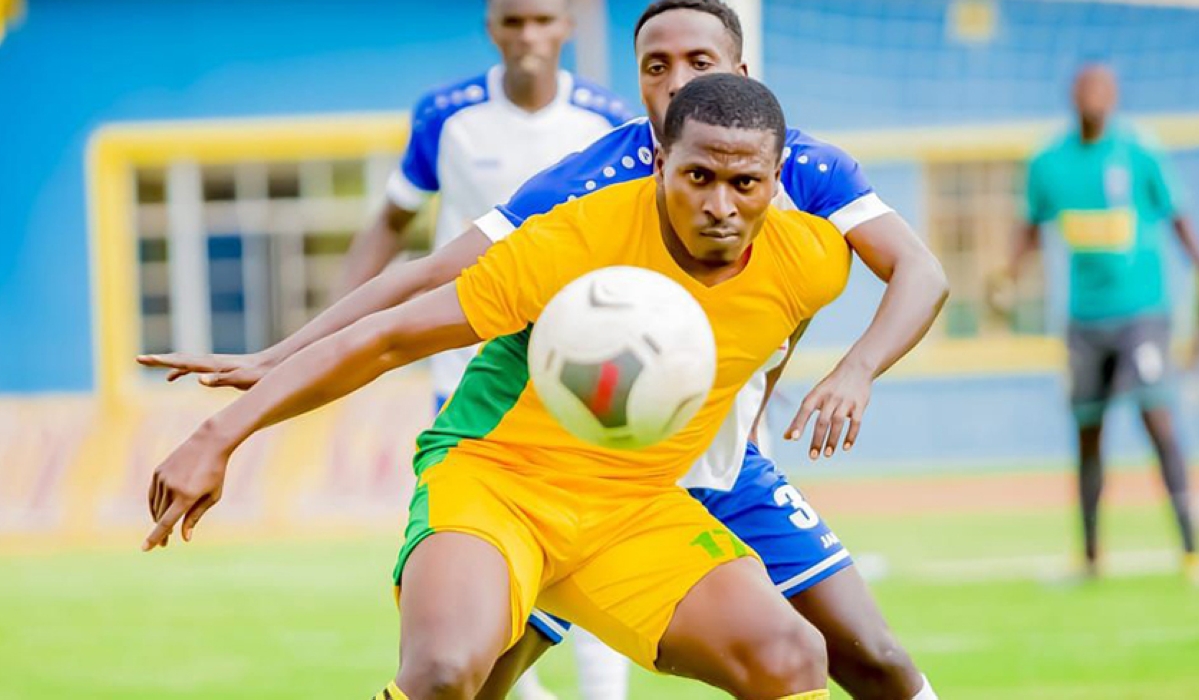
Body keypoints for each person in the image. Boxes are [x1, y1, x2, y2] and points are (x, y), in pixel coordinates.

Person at [139, 2, 948, 698]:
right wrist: (225, 428)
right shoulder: (573, 227)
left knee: (793, 653)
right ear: (658, 159)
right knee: (451, 673)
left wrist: (851, 372)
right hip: (503, 480)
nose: (721, 204)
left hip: (638, 495)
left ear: (779, 177)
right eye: (697, 176)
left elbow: (898, 280)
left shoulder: (813, 253)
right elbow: (394, 327)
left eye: (745, 184)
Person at [329, 0, 632, 695]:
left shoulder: (607, 118)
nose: (528, 35)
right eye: (513, 20)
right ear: (491, 26)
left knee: (588, 536)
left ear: (568, 27)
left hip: (579, 371)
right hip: (465, 371)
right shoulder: (445, 114)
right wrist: (342, 323)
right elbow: (393, 220)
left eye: (543, 20)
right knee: (474, 553)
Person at [1006, 63, 1198, 581]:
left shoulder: (1140, 150)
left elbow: (1178, 218)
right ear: (1072, 97)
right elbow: (1029, 226)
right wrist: (1006, 278)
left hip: (1143, 313)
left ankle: (1190, 549)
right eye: (1084, 89)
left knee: (1158, 421)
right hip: (1085, 321)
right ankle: (1090, 557)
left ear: (1113, 96)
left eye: (1102, 89)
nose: (1093, 97)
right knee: (1087, 432)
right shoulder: (1049, 162)